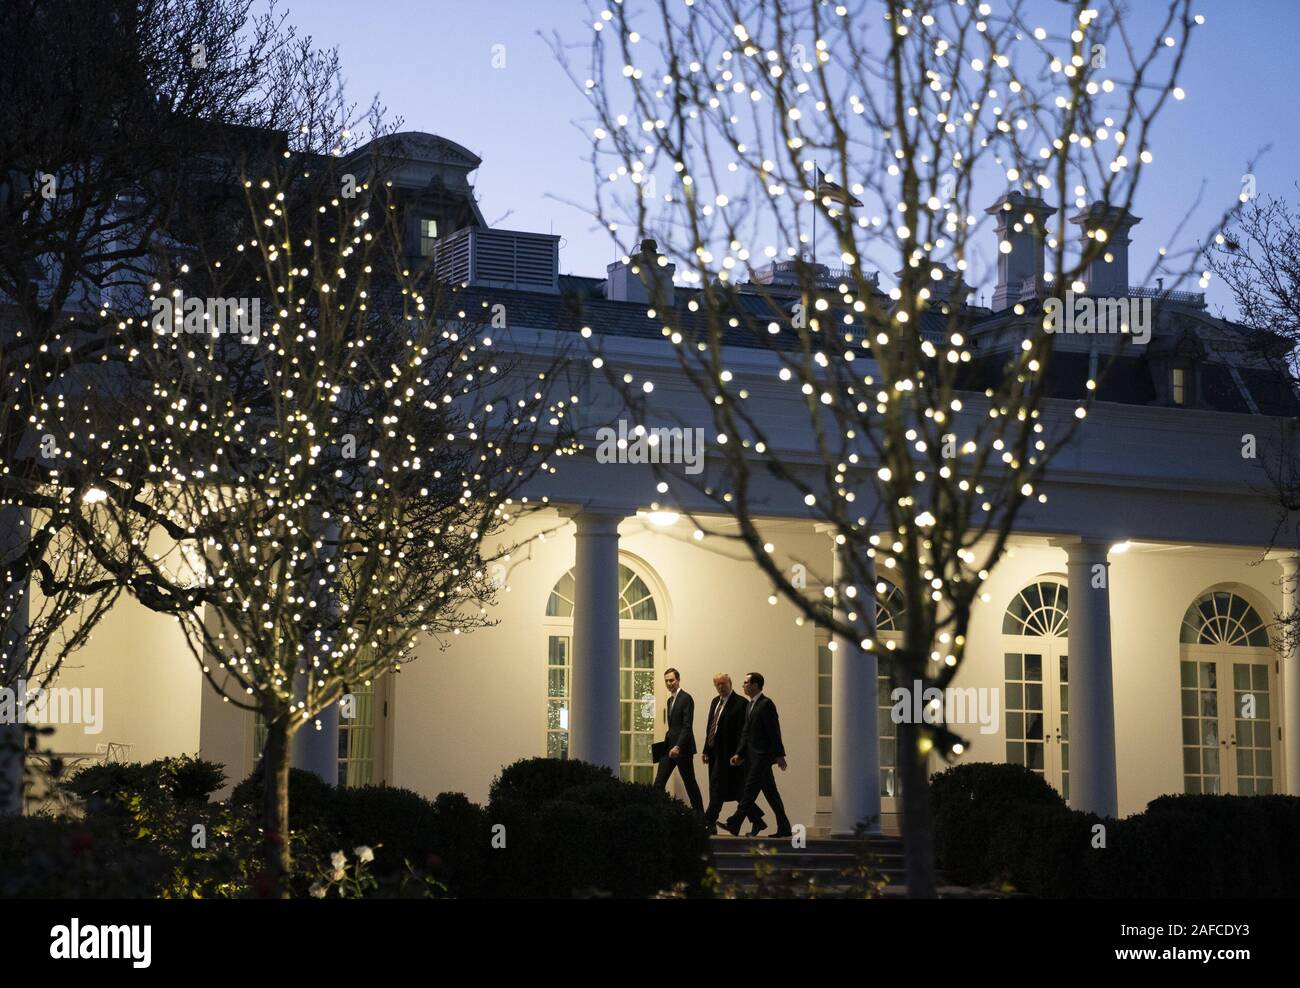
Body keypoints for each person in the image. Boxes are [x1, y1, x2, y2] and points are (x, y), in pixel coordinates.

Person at [725, 671, 792, 837]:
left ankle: (735, 822)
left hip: (762, 757)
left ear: (755, 685)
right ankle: (784, 827)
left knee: (748, 791)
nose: (743, 686)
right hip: (752, 757)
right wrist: (739, 754)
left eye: (746, 683)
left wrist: (779, 755)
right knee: (771, 794)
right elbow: (746, 733)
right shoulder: (750, 705)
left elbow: (774, 731)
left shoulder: (766, 704)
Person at [702, 673, 764, 835]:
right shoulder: (715, 701)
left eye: (723, 684)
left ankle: (707, 822)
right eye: (717, 685)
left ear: (730, 683)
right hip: (716, 753)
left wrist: (740, 754)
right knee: (736, 791)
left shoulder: (741, 703)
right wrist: (706, 749)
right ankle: (757, 820)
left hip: (730, 756)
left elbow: (744, 732)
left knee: (718, 788)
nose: (721, 687)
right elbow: (711, 727)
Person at [653, 667, 703, 812]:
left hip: (682, 749)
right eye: (666, 681)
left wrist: (678, 746)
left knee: (690, 784)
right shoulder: (670, 700)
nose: (669, 683)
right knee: (658, 784)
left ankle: (703, 820)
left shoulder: (686, 698)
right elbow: (674, 727)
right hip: (669, 748)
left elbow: (687, 726)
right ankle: (659, 815)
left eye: (672, 680)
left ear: (678, 680)